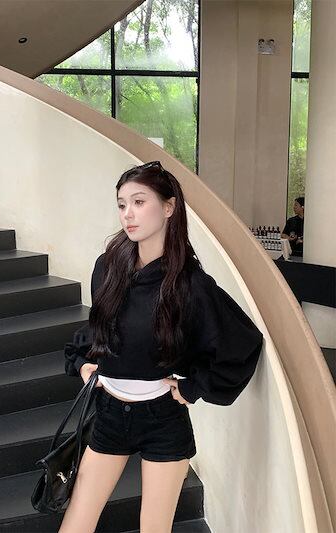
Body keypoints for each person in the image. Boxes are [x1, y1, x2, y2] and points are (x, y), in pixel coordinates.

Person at [59, 160, 264, 533]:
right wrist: (85, 363)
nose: (128, 214)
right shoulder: (107, 267)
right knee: (76, 524)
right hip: (108, 413)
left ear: (169, 207)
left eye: (139, 202)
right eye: (122, 204)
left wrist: (193, 387)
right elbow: (101, 327)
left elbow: (241, 342)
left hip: (162, 418)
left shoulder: (190, 284)